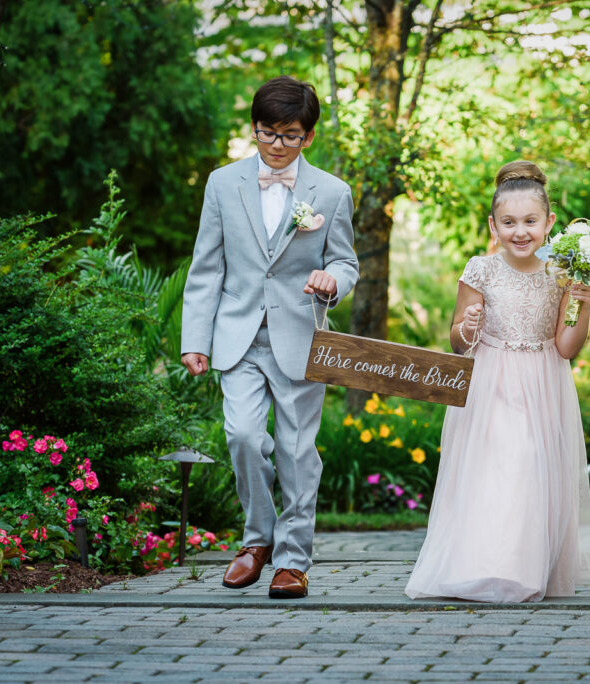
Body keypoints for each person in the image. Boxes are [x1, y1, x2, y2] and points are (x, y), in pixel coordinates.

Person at [180, 76, 359, 599]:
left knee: (298, 451)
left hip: (302, 338)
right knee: (241, 436)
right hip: (237, 337)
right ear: (253, 128)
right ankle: (257, 541)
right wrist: (197, 338)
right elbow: (206, 268)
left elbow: (344, 261)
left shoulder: (330, 191)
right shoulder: (222, 183)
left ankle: (293, 561)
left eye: (291, 136)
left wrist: (333, 281)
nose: (277, 146)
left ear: (308, 136)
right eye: (267, 133)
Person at [405, 160, 590, 603]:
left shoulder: (564, 273)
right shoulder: (480, 269)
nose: (520, 232)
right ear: (493, 225)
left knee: (530, 468)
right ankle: (478, 566)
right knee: (494, 470)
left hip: (542, 381)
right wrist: (469, 323)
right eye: (509, 222)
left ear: (549, 223)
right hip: (491, 382)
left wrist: (584, 304)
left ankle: (520, 570)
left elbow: (567, 347)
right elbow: (458, 341)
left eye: (530, 221)